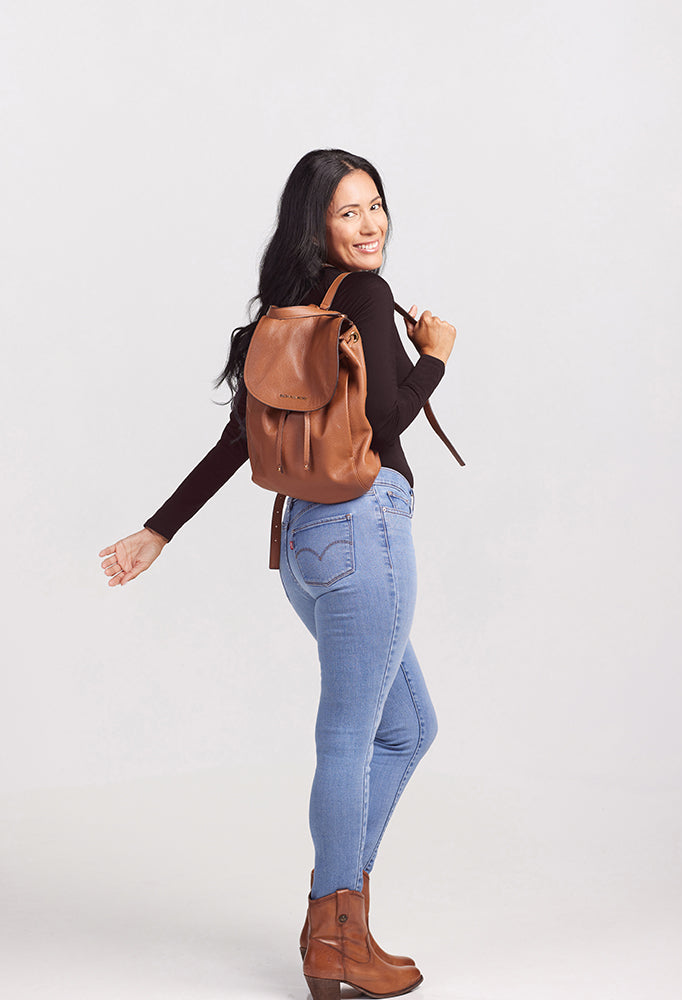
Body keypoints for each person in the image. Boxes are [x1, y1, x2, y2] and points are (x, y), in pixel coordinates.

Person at [98, 148, 456, 1000]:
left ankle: (333, 921)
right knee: (349, 737)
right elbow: (391, 413)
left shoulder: (285, 312)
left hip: (302, 546)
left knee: (407, 727)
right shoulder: (363, 298)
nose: (369, 226)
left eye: (376, 207)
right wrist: (436, 355)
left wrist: (159, 531)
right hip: (366, 534)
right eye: (348, 213)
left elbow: (239, 443)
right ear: (318, 226)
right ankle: (336, 934)